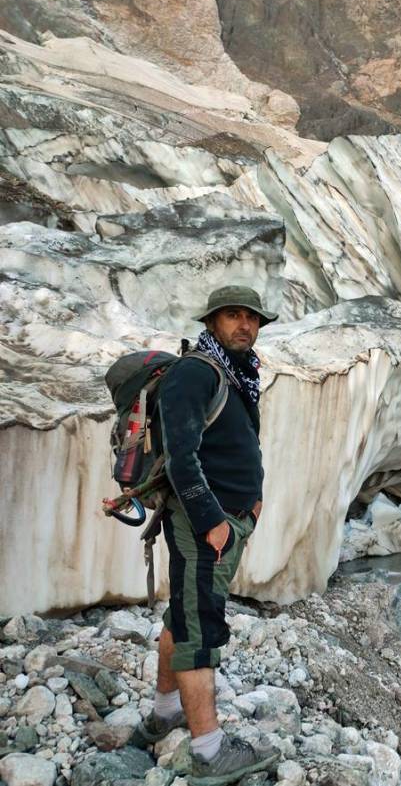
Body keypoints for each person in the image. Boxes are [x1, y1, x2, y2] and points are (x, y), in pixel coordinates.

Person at [131, 285, 279, 786]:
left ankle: (166, 712)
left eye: (252, 318)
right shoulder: (194, 373)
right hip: (205, 526)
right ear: (213, 321)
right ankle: (209, 750)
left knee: (183, 614)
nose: (245, 325)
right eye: (233, 316)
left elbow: (230, 447)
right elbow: (181, 456)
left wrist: (251, 506)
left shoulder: (236, 373)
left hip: (229, 520)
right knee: (200, 629)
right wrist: (211, 518)